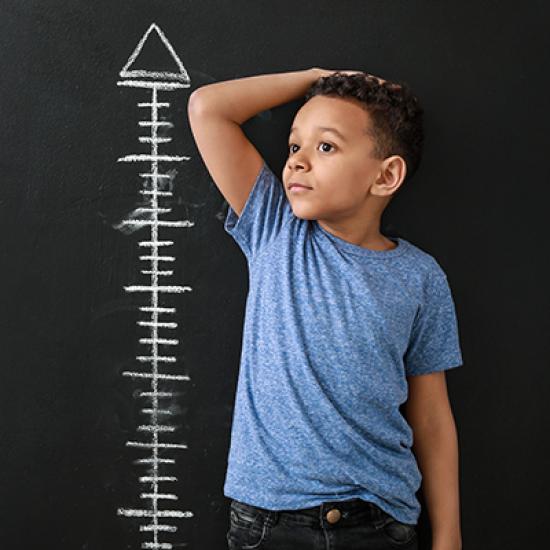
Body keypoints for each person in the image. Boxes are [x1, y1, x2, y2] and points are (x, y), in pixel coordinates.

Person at [188, 68, 463, 550]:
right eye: (294, 146)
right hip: (270, 522)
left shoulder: (421, 277)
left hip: (380, 522)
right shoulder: (275, 231)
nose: (296, 163)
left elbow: (433, 417)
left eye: (326, 147)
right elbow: (208, 109)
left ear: (386, 175)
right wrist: (318, 78)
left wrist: (448, 536)